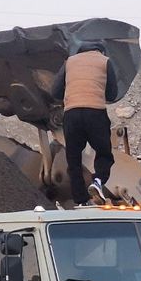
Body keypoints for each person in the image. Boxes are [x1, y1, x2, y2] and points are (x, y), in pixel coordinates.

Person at [50, 42, 119, 206]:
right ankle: (98, 182)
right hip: (95, 113)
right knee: (104, 153)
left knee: (73, 159)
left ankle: (80, 200)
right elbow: (112, 93)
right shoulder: (105, 61)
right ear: (99, 51)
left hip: (71, 114)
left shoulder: (69, 62)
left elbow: (55, 92)